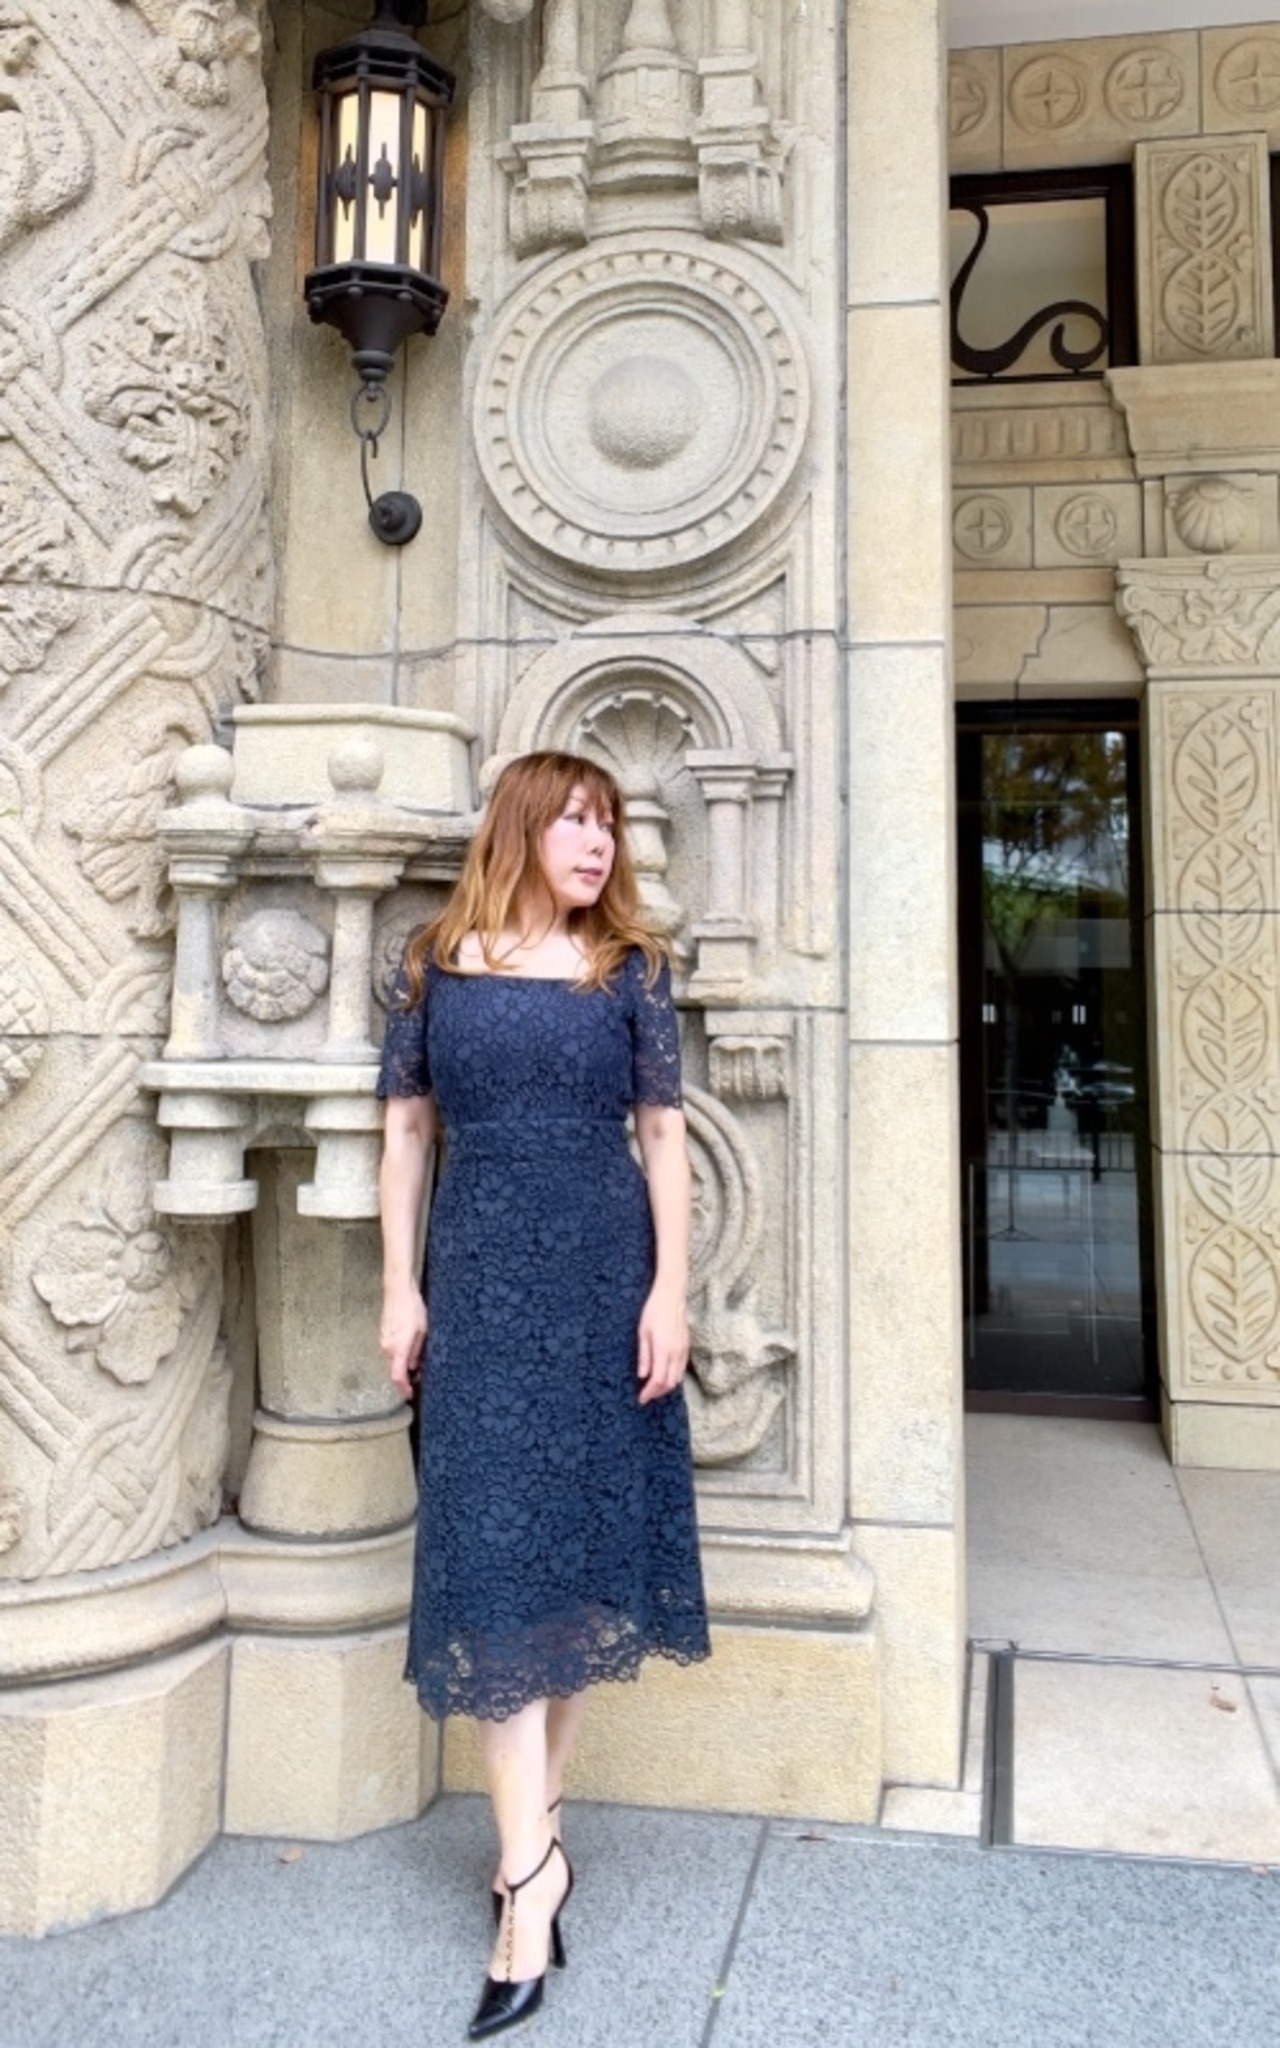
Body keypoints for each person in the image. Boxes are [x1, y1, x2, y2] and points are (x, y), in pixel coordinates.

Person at [376, 750, 711, 2041]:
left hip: (603, 1287)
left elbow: (664, 1137)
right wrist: (398, 1288)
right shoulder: (432, 965)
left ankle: (531, 1851)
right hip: (478, 1290)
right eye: (575, 819)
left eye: (608, 823)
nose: (597, 842)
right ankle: (530, 1877)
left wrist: (669, 1292)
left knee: (570, 1566)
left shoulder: (630, 970)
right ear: (521, 827)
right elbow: (407, 1133)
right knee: (492, 1568)